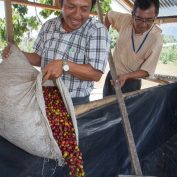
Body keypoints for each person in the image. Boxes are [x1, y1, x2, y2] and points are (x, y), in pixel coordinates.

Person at [2, 0, 110, 105]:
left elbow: (95, 74)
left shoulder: (97, 30)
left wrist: (64, 65)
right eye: (71, 7)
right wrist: (18, 54)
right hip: (43, 95)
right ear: (60, 3)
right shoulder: (48, 26)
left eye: (84, 9)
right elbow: (39, 58)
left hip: (75, 102)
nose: (77, 15)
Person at [103, 0, 162, 97]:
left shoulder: (156, 39)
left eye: (149, 20)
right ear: (132, 14)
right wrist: (104, 37)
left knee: (127, 111)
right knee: (104, 110)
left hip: (131, 83)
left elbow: (146, 71)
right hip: (112, 76)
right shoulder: (125, 20)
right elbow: (109, 16)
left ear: (155, 17)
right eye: (138, 18)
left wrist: (126, 76)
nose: (143, 24)